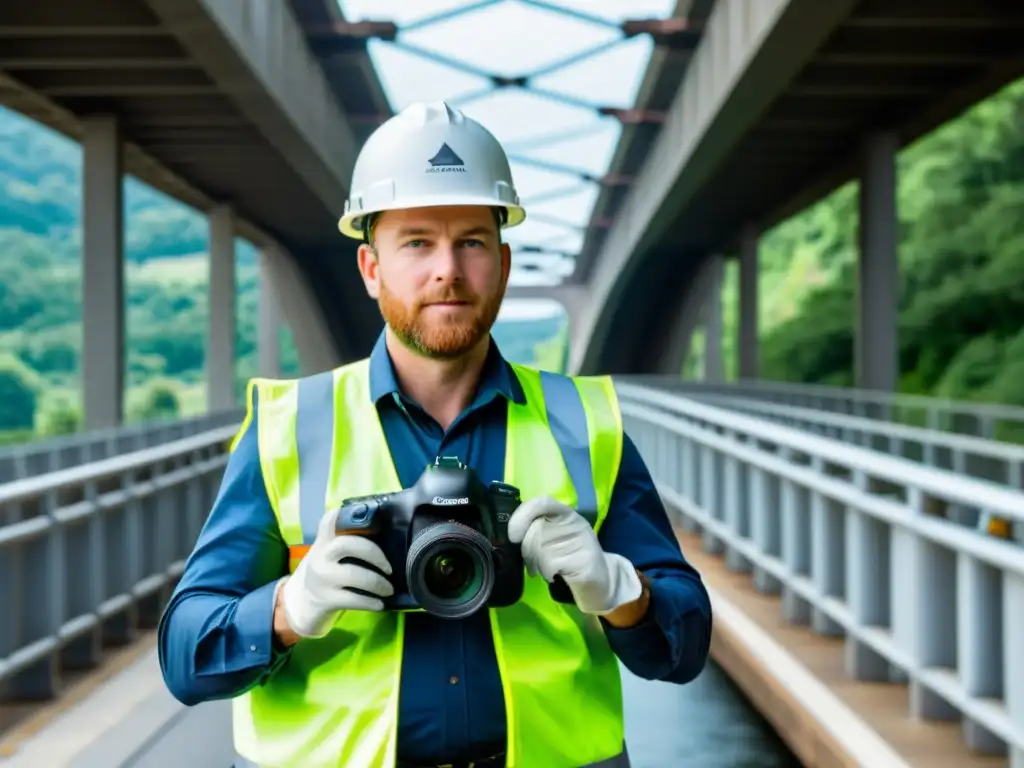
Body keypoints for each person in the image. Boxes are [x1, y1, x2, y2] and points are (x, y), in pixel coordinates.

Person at [158, 101, 713, 768]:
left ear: (503, 264)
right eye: (417, 242)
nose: (446, 269)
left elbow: (686, 647)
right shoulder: (289, 426)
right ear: (371, 269)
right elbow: (185, 657)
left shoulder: (585, 422)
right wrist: (287, 607)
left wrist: (623, 591)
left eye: (471, 242)